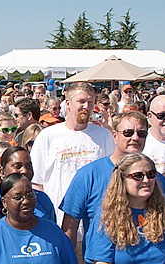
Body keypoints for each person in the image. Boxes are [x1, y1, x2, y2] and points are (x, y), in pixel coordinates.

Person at [60, 111, 165, 264]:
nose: (135, 138)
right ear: (114, 135)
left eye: (141, 133)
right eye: (128, 132)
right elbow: (69, 229)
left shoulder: (161, 184)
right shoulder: (89, 176)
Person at [30, 82, 115, 226]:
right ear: (68, 104)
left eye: (90, 102)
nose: (86, 107)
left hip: (95, 223)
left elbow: (112, 177)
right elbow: (37, 182)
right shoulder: (48, 136)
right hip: (57, 220)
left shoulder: (104, 136)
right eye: (81, 101)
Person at [0, 145, 56, 248]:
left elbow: (53, 234)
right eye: (17, 166)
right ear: (2, 172)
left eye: (28, 166)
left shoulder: (43, 200)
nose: (25, 171)